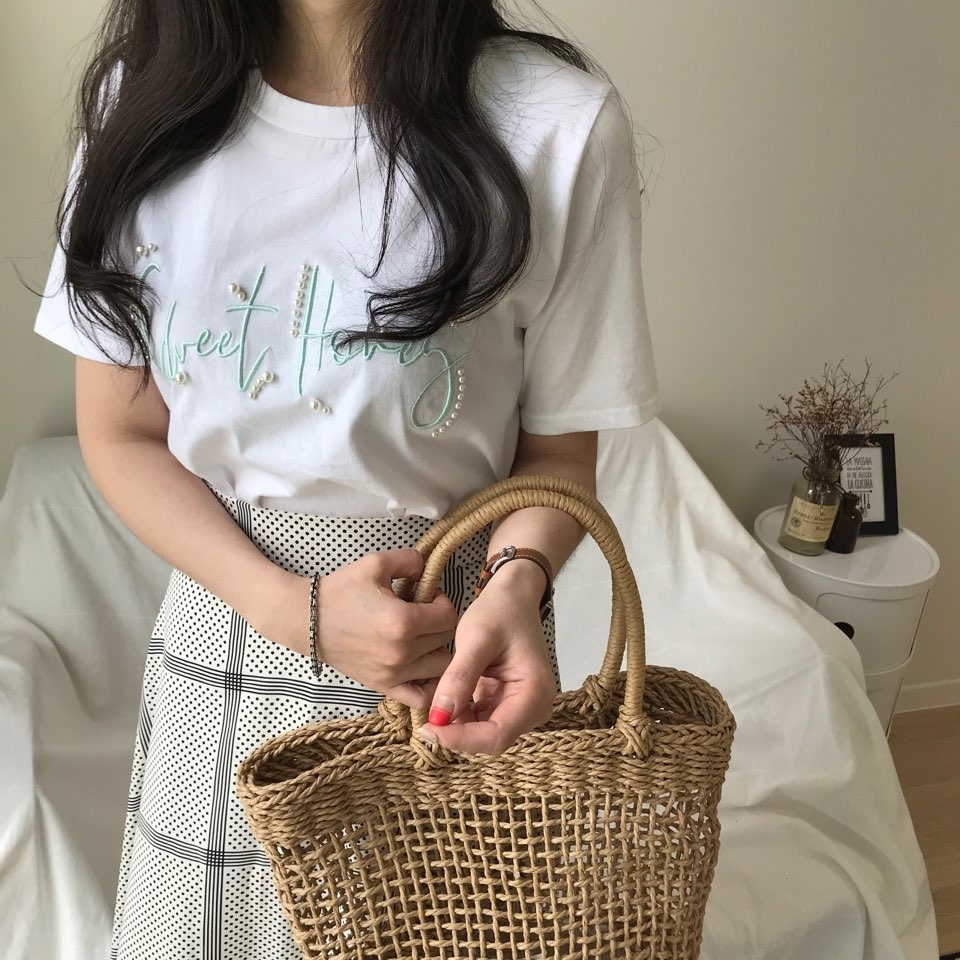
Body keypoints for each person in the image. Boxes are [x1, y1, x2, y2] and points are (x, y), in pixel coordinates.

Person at [34, 0, 658, 956]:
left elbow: (559, 460)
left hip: (452, 666)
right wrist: (286, 607)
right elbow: (121, 436)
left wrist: (514, 585)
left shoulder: (557, 124)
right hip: (225, 642)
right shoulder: (140, 100)